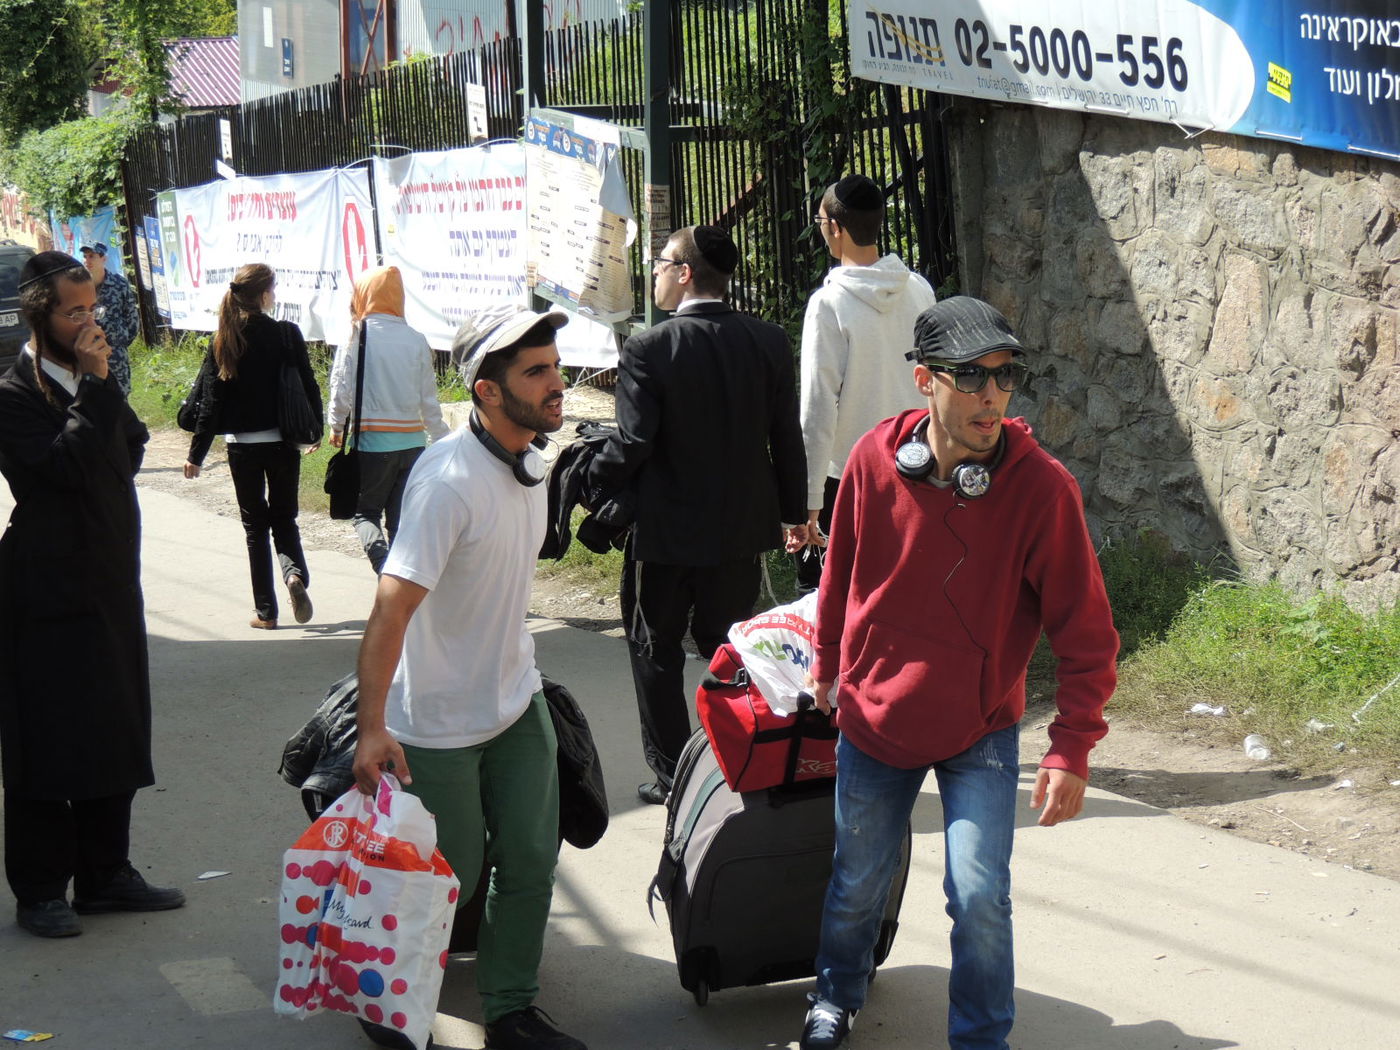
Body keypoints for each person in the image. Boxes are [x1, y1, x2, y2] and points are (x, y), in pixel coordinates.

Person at [796, 296, 1119, 1050]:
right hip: (877, 715)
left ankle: (980, 1040)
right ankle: (834, 996)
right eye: (970, 376)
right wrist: (828, 666)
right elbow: (840, 572)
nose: (992, 395)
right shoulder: (878, 458)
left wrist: (1072, 747)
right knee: (855, 884)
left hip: (981, 726)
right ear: (924, 380)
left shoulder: (1042, 490)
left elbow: (1089, 634)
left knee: (979, 896)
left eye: (1005, 377)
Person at [351, 308, 587, 1050]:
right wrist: (371, 727)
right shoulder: (447, 482)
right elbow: (390, 608)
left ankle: (510, 1009)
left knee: (528, 859)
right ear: (488, 392)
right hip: (437, 721)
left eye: (555, 365)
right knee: (442, 876)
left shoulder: (533, 465)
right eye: (536, 373)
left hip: (516, 702)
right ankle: (384, 997)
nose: (557, 384)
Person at [585, 224, 807, 805]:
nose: (653, 272)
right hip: (740, 529)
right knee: (731, 649)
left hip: (664, 534)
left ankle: (675, 780)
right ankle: (747, 758)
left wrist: (591, 474)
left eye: (660, 263)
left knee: (654, 652)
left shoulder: (648, 347)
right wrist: (792, 514)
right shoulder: (768, 340)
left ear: (684, 273)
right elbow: (786, 437)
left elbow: (633, 443)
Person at [0, 251, 185, 939]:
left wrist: (98, 392)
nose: (89, 323)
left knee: (114, 726)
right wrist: (97, 389)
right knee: (47, 741)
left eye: (92, 309)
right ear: (39, 315)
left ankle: (106, 872)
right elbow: (63, 472)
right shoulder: (12, 395)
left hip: (109, 582)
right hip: (43, 592)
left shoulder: (88, 380)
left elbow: (129, 448)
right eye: (73, 312)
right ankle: (42, 888)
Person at [797, 174, 936, 594]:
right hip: (918, 460)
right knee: (909, 589)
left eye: (821, 220)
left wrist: (809, 497)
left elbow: (819, 405)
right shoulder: (919, 290)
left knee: (843, 596)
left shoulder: (829, 303)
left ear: (835, 227)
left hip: (853, 473)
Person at [183, 263, 322, 629]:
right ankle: (294, 576)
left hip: (242, 448)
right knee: (284, 519)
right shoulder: (287, 334)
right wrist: (316, 431)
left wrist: (196, 455)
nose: (275, 296)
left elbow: (210, 402)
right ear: (263, 295)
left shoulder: (225, 338)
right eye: (273, 290)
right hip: (283, 444)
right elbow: (309, 386)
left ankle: (266, 612)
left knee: (255, 529)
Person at [328, 265, 449, 574]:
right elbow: (429, 400)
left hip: (372, 444)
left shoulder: (355, 337)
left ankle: (384, 569)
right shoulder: (416, 339)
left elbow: (341, 387)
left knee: (365, 514)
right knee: (400, 522)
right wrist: (441, 440)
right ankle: (402, 588)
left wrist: (336, 425)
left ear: (362, 295)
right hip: (413, 446)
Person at [80, 242, 140, 397]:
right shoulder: (79, 287)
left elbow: (132, 319)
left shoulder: (119, 285)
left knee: (120, 400)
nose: (87, 260)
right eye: (85, 256)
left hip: (115, 354)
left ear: (103, 258)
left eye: (92, 256)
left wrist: (120, 342)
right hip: (88, 354)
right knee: (92, 399)